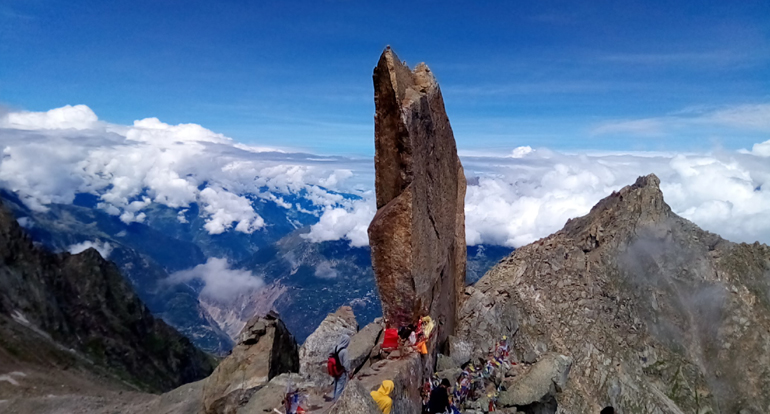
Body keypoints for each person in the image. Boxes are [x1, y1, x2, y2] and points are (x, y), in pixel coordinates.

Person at [330, 334, 351, 401]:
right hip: (341, 371)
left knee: (336, 386)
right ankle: (336, 402)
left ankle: (334, 398)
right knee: (340, 387)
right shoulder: (344, 351)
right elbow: (346, 364)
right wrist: (349, 371)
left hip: (335, 369)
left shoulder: (335, 348)